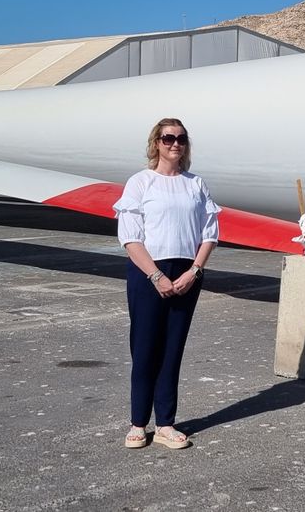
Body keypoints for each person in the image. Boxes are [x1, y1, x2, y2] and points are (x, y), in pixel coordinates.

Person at [114, 117, 219, 450]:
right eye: (168, 138)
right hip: (149, 271)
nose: (175, 144)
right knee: (145, 348)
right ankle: (137, 423)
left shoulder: (195, 184)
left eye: (181, 139)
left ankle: (165, 424)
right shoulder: (141, 182)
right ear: (156, 143)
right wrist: (155, 275)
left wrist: (195, 271)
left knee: (173, 350)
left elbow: (210, 234)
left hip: (187, 273)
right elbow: (130, 237)